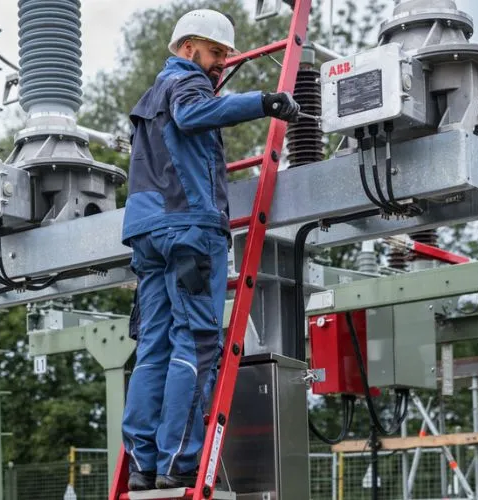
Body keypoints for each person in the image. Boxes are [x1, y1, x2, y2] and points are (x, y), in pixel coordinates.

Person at [120, 8, 301, 491]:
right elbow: (194, 113)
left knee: (154, 345)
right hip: (188, 229)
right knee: (197, 342)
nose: (221, 61)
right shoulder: (187, 83)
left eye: (225, 54)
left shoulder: (148, 97)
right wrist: (266, 102)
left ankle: (142, 463)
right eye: (216, 51)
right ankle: (178, 460)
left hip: (146, 232)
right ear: (187, 49)